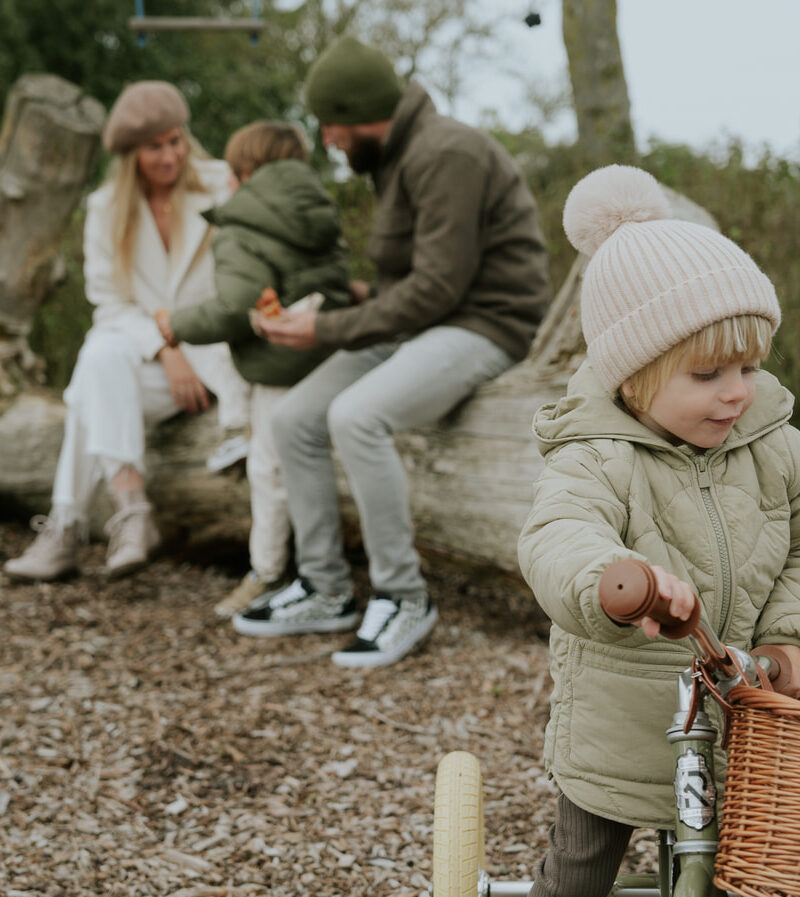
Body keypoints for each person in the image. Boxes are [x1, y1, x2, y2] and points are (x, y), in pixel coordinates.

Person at [516, 164, 800, 897]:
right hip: (617, 730)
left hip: (744, 724)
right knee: (579, 874)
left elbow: (799, 548)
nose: (737, 390)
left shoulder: (775, 445)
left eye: (748, 365)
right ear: (634, 376)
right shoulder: (596, 456)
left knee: (747, 875)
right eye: (708, 374)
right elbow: (558, 533)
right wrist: (615, 583)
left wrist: (787, 640)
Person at [233, 35, 552, 668]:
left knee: (357, 416)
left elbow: (437, 289)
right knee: (294, 419)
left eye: (331, 125)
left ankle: (404, 597)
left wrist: (325, 332)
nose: (326, 139)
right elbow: (412, 281)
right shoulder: (397, 155)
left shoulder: (447, 153)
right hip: (426, 322)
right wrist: (330, 303)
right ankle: (325, 588)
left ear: (361, 115)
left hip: (486, 324)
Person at [4, 80, 250, 582]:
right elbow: (109, 302)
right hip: (152, 370)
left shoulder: (219, 183)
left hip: (216, 359)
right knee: (100, 359)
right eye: (154, 146)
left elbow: (239, 279)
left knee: (86, 390)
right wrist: (165, 348)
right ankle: (131, 510)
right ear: (131, 153)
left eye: (176, 140)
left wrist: (181, 341)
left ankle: (65, 530)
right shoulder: (105, 208)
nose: (169, 156)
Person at [154, 120, 352, 617]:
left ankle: (269, 572)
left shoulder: (242, 223)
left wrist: (176, 324)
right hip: (326, 352)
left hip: (279, 363)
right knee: (297, 462)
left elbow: (236, 305)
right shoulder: (318, 209)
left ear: (243, 172)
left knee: (270, 471)